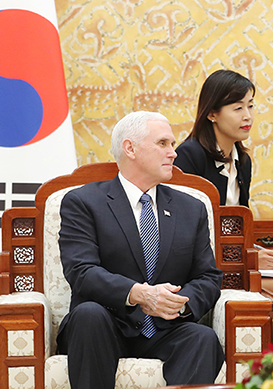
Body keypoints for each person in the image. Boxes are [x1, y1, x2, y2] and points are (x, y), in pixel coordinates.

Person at [57, 111, 224, 389]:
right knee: (89, 315)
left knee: (202, 338)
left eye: (173, 144)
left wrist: (178, 304)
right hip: (106, 324)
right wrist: (138, 294)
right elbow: (81, 272)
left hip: (165, 328)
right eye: (163, 144)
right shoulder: (83, 202)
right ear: (130, 148)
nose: (173, 153)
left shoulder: (191, 208)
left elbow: (208, 277)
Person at [174, 69, 273, 307]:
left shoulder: (243, 161)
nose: (248, 116)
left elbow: (239, 225)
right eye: (238, 108)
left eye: (251, 106)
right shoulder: (189, 155)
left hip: (232, 257)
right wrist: (248, 259)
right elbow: (187, 233)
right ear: (212, 113)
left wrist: (253, 254)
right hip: (202, 265)